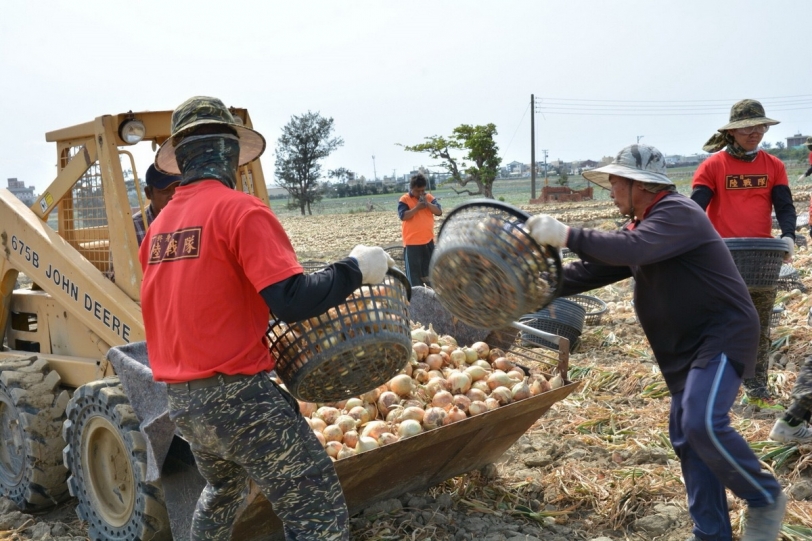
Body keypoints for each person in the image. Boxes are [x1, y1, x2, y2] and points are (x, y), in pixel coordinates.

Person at [140, 96, 394, 541]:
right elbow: (291, 300)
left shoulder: (158, 232)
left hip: (182, 402)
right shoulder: (240, 210)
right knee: (315, 506)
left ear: (181, 159)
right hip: (237, 399)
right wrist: (356, 269)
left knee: (224, 489)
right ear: (230, 154)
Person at [526, 143, 786, 541]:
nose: (611, 192)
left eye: (616, 183)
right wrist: (527, 287)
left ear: (641, 185)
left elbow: (632, 248)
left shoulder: (678, 213)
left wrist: (567, 235)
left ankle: (764, 496)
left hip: (722, 335)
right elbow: (590, 271)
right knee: (687, 437)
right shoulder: (642, 228)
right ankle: (711, 534)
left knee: (702, 422)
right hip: (683, 348)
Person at [691, 99, 796, 409]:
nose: (755, 132)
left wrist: (788, 235)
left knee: (758, 325)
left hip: (762, 258)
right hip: (722, 256)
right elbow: (695, 208)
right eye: (748, 127)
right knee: (719, 323)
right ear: (732, 132)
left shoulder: (773, 165)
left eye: (760, 126)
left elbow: (784, 205)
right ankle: (709, 386)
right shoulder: (713, 166)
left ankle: (756, 388)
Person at [106, 164, 181, 281]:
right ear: (148, 193)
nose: (173, 196)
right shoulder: (131, 229)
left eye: (178, 189)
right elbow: (118, 277)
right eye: (165, 191)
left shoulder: (193, 220)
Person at [398, 172, 442, 287]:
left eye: (423, 190)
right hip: (412, 243)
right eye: (418, 191)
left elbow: (438, 212)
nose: (421, 193)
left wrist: (427, 204)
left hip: (428, 241)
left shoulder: (429, 198)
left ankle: (432, 295)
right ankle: (416, 296)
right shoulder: (404, 199)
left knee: (431, 275)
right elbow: (403, 216)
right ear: (412, 189)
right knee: (414, 277)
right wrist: (417, 208)